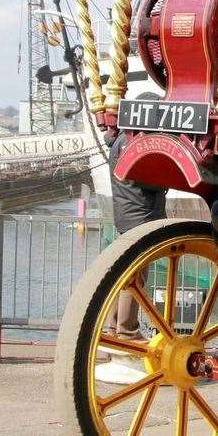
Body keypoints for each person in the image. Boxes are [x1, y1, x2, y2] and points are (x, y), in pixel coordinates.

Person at [94, 128, 168, 384]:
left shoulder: (118, 142)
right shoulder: (136, 143)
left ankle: (113, 330)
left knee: (126, 277)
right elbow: (146, 179)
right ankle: (127, 331)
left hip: (125, 214)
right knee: (135, 279)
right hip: (141, 216)